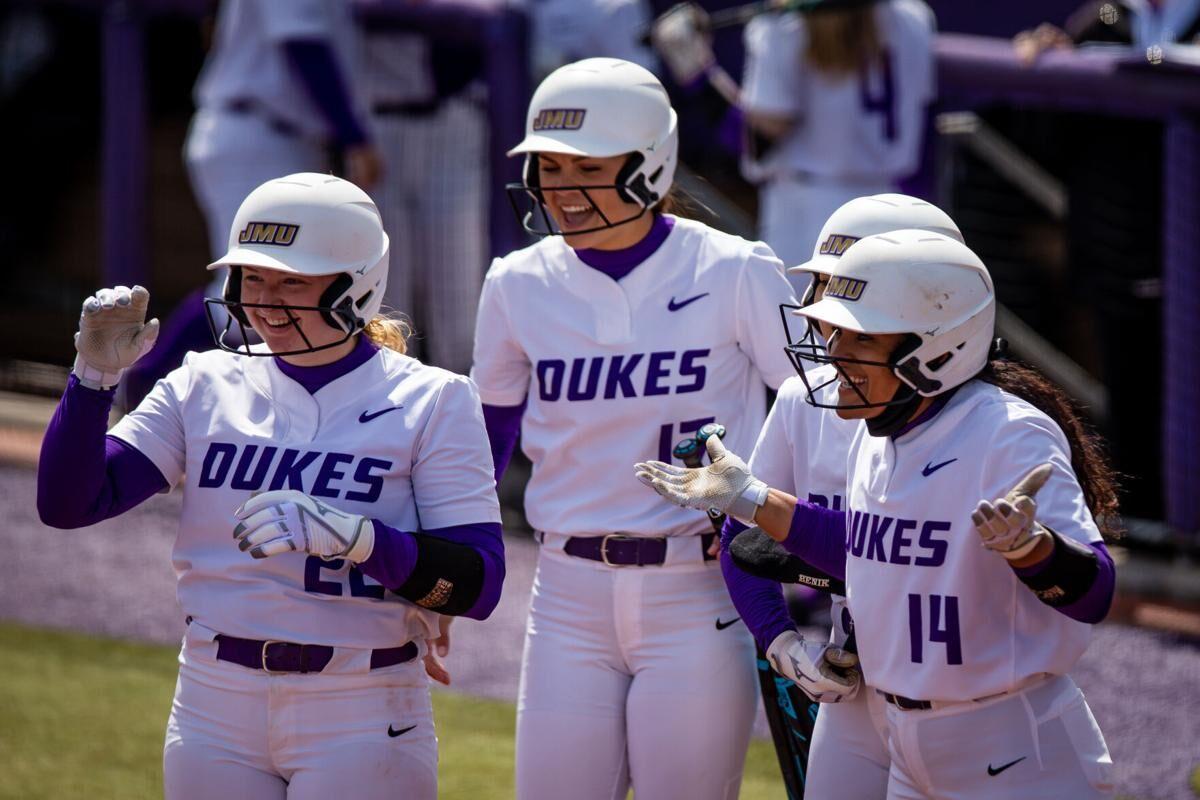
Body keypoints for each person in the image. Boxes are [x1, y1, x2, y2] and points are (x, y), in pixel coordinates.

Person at [37, 174, 504, 800]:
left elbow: (477, 583)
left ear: (357, 284)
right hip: (212, 701)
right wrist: (92, 378)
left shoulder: (432, 398)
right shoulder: (202, 380)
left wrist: (359, 539)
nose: (265, 300)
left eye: (293, 281)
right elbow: (69, 503)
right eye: (252, 278)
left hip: (362, 706)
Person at [637, 228, 1118, 798]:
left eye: (858, 338)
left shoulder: (1009, 432)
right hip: (903, 740)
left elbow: (1096, 592)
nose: (833, 352)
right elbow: (866, 548)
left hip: (1012, 748)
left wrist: (1034, 552)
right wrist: (750, 499)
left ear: (935, 348)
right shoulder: (881, 432)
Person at [471, 57, 798, 800]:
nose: (561, 191)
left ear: (650, 164)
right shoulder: (515, 282)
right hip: (565, 593)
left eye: (585, 169)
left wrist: (787, 526)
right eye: (547, 169)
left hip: (701, 587)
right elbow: (482, 445)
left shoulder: (737, 268)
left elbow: (822, 412)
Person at [719, 193, 966, 799]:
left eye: (847, 289)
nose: (823, 314)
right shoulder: (808, 399)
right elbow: (740, 540)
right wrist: (781, 644)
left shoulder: (986, 421)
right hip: (856, 698)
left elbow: (897, 559)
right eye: (823, 288)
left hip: (967, 698)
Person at [122, 0, 383, 407]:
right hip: (256, 133)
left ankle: (144, 385)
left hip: (276, 135)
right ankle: (145, 388)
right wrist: (353, 137)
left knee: (250, 293)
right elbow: (302, 42)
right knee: (247, 296)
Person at [651, 0, 936, 293]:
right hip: (892, 205)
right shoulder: (913, 16)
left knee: (802, 332)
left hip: (809, 217)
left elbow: (753, 140)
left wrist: (698, 74)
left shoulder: (784, 26)